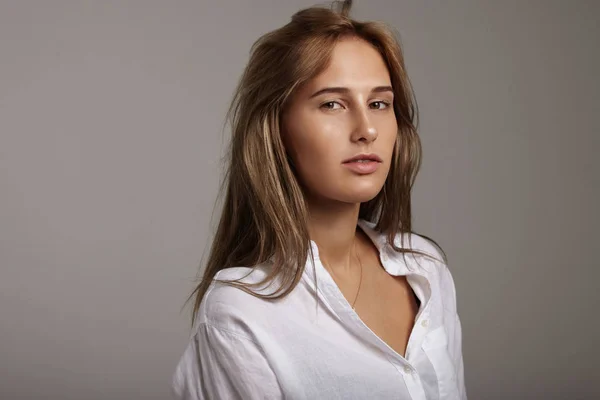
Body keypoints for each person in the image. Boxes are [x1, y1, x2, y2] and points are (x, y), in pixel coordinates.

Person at [171, 0, 466, 398]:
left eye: (379, 103)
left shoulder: (426, 271)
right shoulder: (242, 315)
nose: (366, 130)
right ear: (276, 129)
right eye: (332, 104)